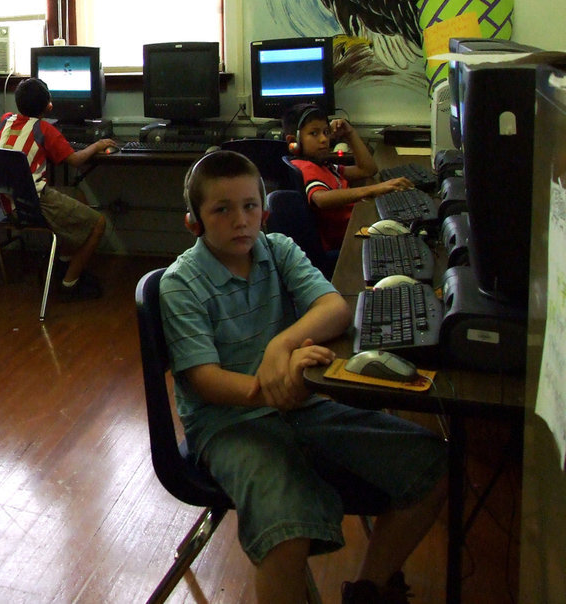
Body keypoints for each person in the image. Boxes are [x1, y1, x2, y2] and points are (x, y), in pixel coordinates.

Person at [159, 149, 447, 604]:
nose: (240, 220)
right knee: (285, 530)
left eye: (249, 206)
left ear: (264, 211)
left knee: (433, 466)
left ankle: (370, 590)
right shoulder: (180, 283)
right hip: (229, 424)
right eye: (222, 210)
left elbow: (335, 308)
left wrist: (281, 346)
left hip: (300, 404)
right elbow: (204, 380)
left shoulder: (278, 249)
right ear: (193, 222)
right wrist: (272, 388)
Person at [0, 77, 116, 300]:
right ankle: (69, 284)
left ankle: (64, 262)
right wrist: (98, 145)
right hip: (33, 204)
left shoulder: (5, 120)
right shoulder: (45, 129)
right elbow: (75, 160)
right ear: (49, 106)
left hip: (7, 204)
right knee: (98, 223)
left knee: (76, 195)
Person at [282, 103, 414, 253]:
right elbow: (321, 198)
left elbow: (367, 170)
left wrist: (350, 134)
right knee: (407, 242)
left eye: (326, 132)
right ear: (293, 142)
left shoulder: (324, 166)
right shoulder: (305, 167)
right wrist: (373, 189)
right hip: (347, 241)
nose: (324, 139)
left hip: (354, 228)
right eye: (314, 133)